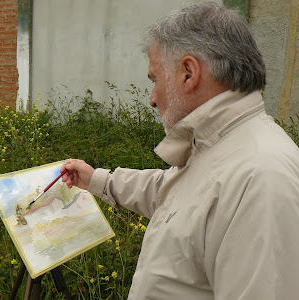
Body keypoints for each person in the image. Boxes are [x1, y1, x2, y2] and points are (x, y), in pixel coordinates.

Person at [61, 2, 299, 299]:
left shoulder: (261, 178)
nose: (151, 98)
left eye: (155, 79)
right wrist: (97, 179)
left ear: (189, 73)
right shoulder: (221, 146)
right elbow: (175, 192)